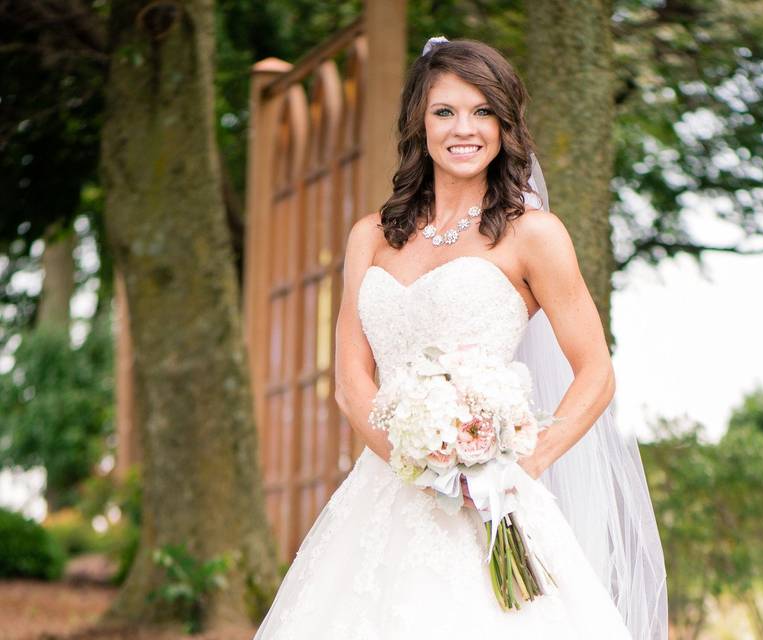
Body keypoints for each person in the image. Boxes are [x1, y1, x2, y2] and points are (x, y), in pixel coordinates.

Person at [253, 37, 667, 639]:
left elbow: (596, 372)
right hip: (384, 491)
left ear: (504, 124)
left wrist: (525, 463)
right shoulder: (370, 236)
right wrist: (419, 467)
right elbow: (350, 381)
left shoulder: (535, 236)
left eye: (482, 111)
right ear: (419, 123)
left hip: (495, 496)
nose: (463, 129)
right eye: (445, 111)